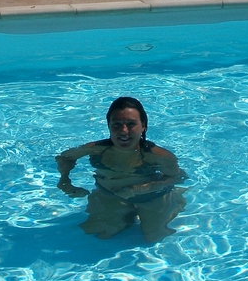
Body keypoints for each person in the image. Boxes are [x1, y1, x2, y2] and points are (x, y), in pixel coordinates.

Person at [56, 96, 187, 242]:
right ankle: (125, 214)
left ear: (143, 126)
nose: (124, 131)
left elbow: (177, 177)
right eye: (116, 124)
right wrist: (64, 181)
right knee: (102, 232)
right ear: (109, 126)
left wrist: (140, 189)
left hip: (151, 197)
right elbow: (64, 157)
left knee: (154, 236)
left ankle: (177, 200)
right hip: (111, 196)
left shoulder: (157, 156)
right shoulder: (96, 149)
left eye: (131, 124)